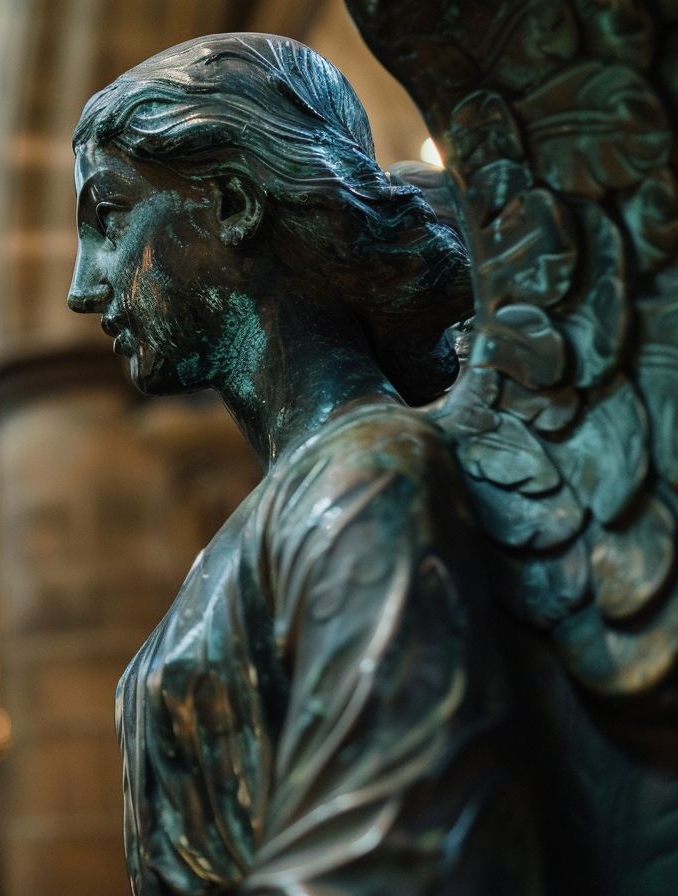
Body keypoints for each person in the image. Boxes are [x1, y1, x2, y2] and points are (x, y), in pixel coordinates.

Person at [67, 34, 533, 894]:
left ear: (237, 203)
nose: (82, 286)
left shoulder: (368, 480)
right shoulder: (293, 502)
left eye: (110, 218)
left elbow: (395, 854)